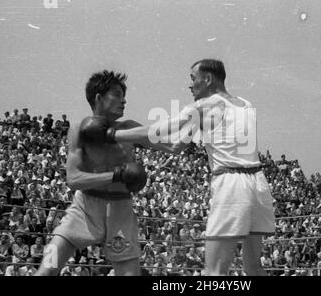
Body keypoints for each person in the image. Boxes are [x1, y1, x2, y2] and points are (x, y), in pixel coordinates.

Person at [81, 59, 275, 275]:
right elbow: (175, 146)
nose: (190, 85)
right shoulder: (245, 104)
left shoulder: (204, 106)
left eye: (193, 79)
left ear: (208, 79)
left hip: (231, 184)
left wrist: (111, 134)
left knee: (214, 271)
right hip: (258, 184)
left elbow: (160, 129)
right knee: (255, 267)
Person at [35, 70, 148, 276]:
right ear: (98, 98)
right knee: (47, 267)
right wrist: (117, 175)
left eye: (124, 96)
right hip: (83, 209)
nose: (123, 101)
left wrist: (193, 120)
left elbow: (170, 145)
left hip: (121, 211)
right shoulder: (78, 130)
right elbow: (73, 178)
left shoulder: (130, 128)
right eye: (117, 94)